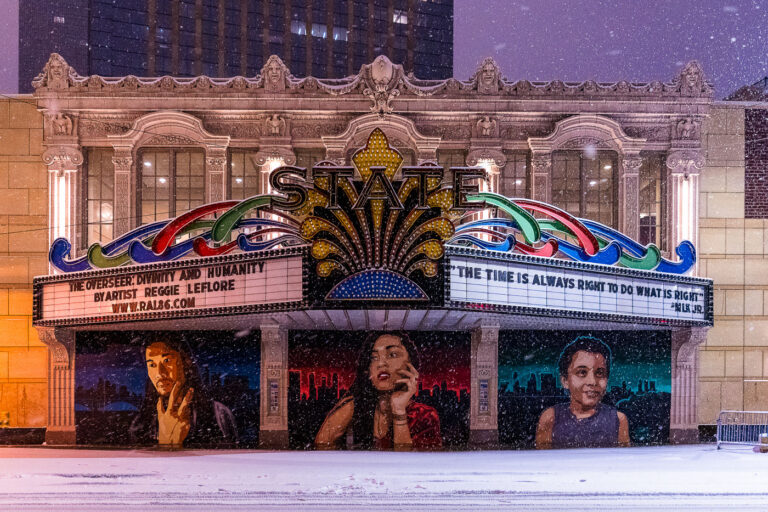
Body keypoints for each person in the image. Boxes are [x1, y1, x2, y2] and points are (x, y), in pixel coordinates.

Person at [315, 332, 441, 451]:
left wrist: (399, 410)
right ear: (368, 369)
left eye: (392, 354)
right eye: (374, 357)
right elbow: (321, 446)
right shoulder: (358, 407)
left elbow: (406, 465)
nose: (381, 363)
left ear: (411, 364)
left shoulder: (424, 416)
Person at [129, 336, 238, 448]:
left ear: (186, 363)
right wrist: (167, 443)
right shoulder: (142, 423)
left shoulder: (219, 414)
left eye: (167, 361)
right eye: (152, 365)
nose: (159, 373)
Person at [535, 336, 630, 449]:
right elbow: (542, 461)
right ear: (565, 380)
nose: (592, 382)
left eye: (600, 373)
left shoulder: (618, 420)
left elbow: (623, 462)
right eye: (582, 372)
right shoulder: (551, 417)